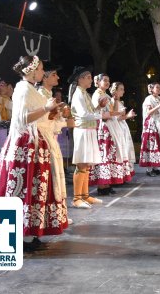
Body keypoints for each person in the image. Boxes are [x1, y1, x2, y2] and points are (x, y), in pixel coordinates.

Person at [0, 55, 68, 251]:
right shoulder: (23, 89)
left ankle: (32, 233)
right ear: (32, 70)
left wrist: (51, 112)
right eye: (41, 69)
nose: (43, 72)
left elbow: (38, 115)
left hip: (36, 143)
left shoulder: (30, 89)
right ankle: (24, 236)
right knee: (28, 187)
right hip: (27, 145)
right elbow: (22, 119)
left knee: (37, 187)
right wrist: (46, 107)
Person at [37, 62, 74, 225]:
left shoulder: (48, 93)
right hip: (44, 138)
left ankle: (57, 215)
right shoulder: (40, 95)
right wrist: (63, 121)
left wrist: (62, 117)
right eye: (54, 74)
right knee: (50, 178)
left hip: (50, 138)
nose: (57, 77)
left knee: (55, 177)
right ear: (44, 77)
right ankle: (49, 217)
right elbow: (43, 121)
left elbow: (52, 119)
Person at [68, 66, 110, 208]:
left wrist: (98, 107)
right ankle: (77, 198)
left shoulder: (84, 93)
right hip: (82, 130)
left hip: (89, 130)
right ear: (80, 79)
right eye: (88, 78)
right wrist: (101, 115)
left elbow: (89, 111)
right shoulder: (78, 94)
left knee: (86, 165)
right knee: (81, 164)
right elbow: (83, 114)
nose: (91, 80)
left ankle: (85, 195)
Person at [90, 73, 131, 194]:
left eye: (108, 81)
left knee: (111, 154)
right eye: (105, 80)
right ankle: (102, 185)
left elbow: (113, 110)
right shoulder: (97, 94)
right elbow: (99, 112)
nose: (107, 83)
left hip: (111, 126)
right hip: (104, 127)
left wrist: (116, 100)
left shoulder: (106, 94)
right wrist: (117, 113)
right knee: (105, 154)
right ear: (98, 82)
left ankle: (107, 183)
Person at [110, 82, 137, 181]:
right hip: (118, 127)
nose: (123, 91)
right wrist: (127, 116)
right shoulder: (113, 101)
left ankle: (124, 174)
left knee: (126, 148)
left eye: (123, 89)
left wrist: (127, 116)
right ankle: (118, 175)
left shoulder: (120, 102)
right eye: (121, 89)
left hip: (123, 127)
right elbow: (115, 118)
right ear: (115, 90)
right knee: (121, 150)